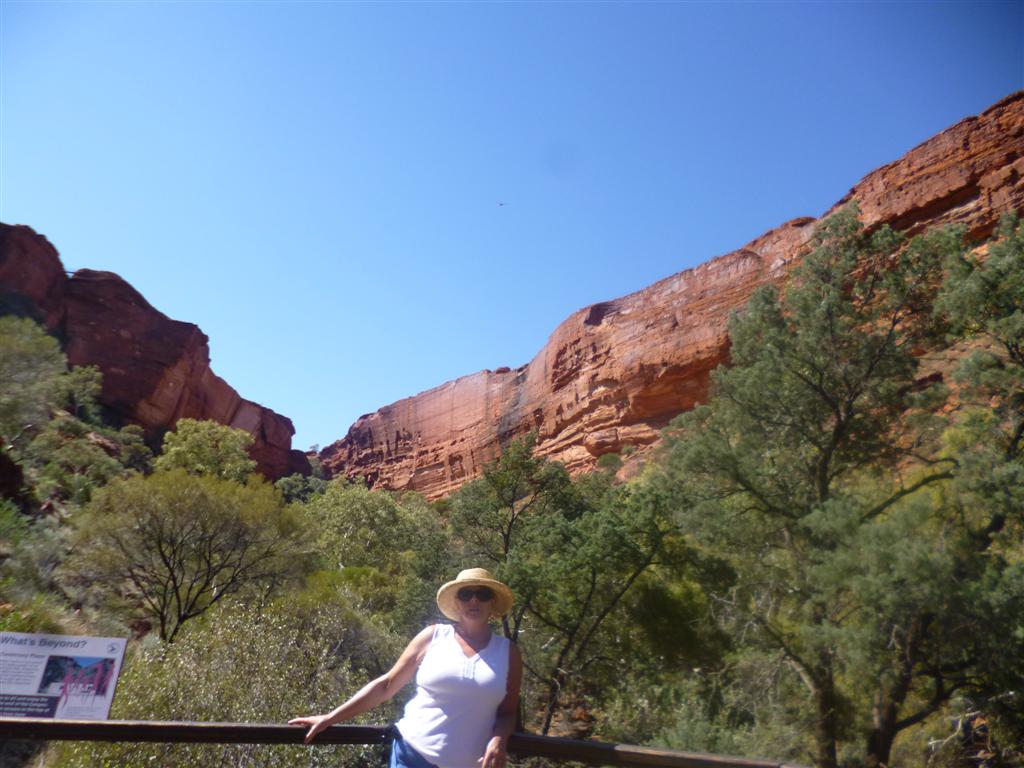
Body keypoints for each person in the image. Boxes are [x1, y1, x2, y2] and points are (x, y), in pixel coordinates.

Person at [290, 568, 523, 768]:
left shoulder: (508, 652)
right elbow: (386, 685)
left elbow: (508, 712)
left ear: (492, 602)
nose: (474, 601)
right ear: (456, 602)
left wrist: (499, 739)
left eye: (483, 594)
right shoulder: (433, 636)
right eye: (465, 594)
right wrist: (330, 718)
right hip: (412, 756)